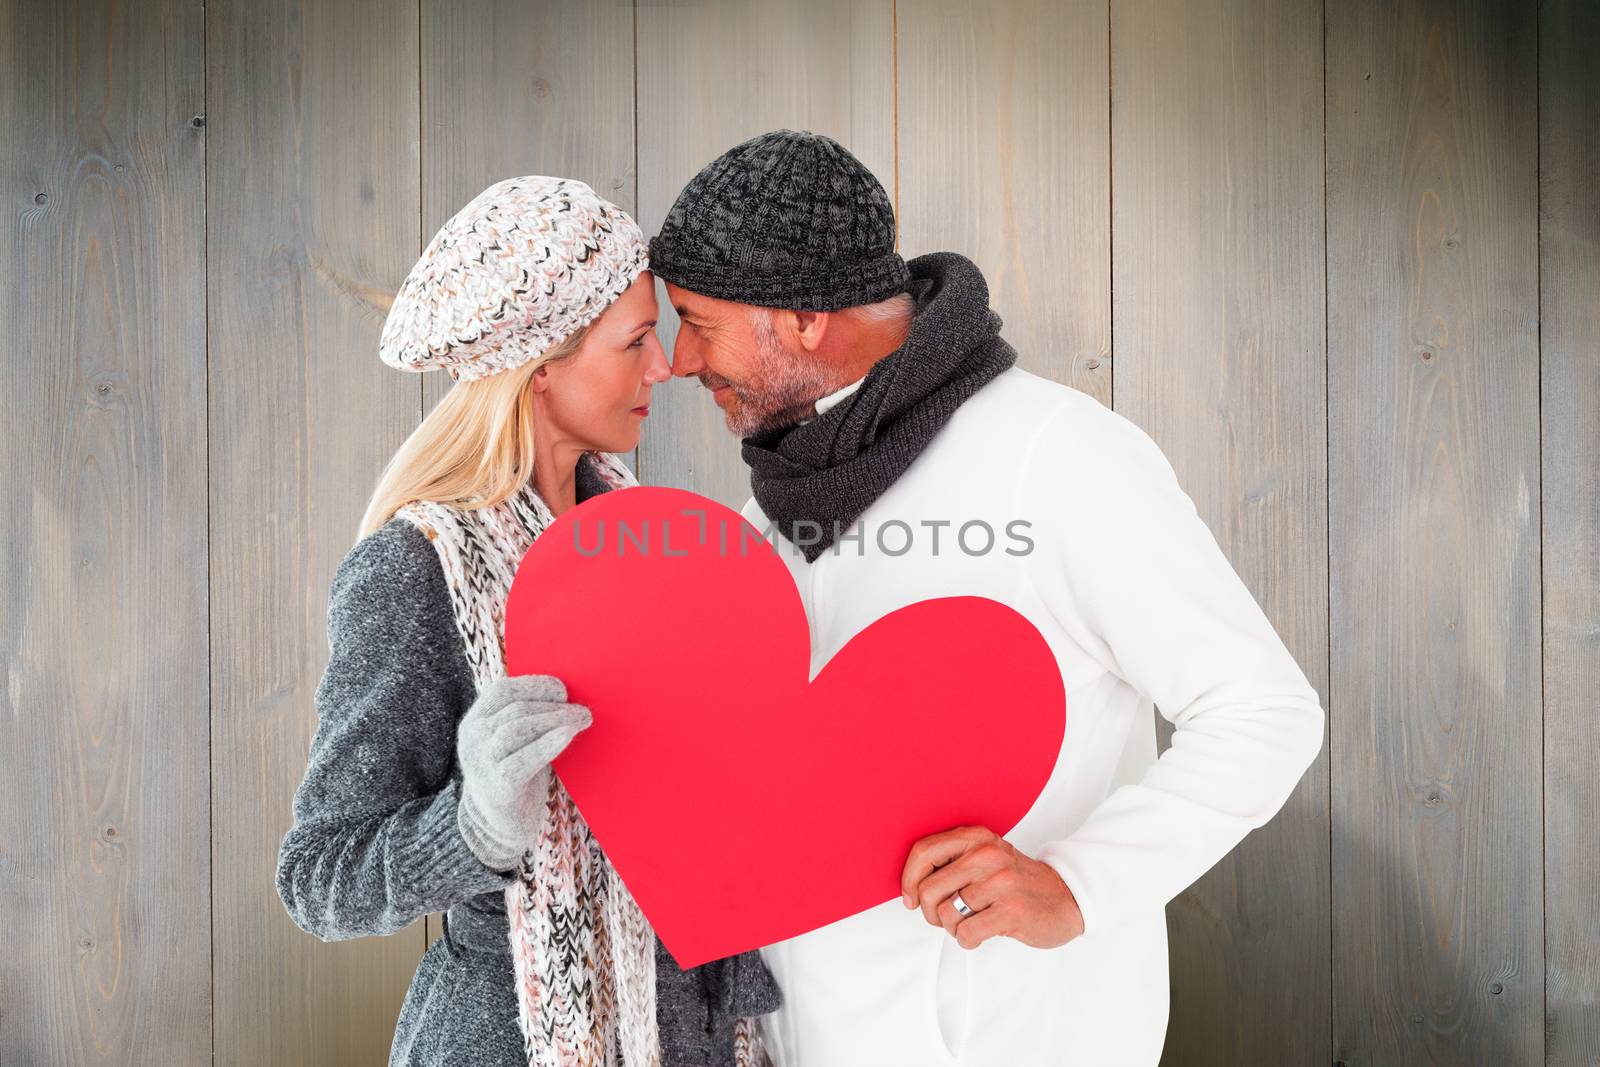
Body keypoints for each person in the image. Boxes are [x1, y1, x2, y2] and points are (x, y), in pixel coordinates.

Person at [647, 129, 1327, 1067]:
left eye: (699, 320)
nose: (681, 360)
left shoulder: (1058, 459)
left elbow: (1264, 710)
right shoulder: (771, 509)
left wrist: (1075, 885)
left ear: (802, 319)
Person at [275, 175, 781, 1067]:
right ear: (540, 367)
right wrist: (477, 824)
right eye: (634, 342)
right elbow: (320, 878)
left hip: (692, 1032)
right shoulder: (415, 568)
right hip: (511, 1040)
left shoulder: (644, 540)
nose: (663, 364)